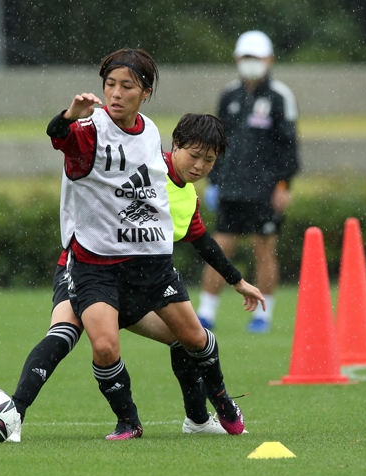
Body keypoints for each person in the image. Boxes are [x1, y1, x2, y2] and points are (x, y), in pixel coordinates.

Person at [43, 47, 261, 440]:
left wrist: (237, 280)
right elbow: (64, 141)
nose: (198, 167)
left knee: (192, 339)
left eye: (208, 162)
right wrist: (68, 119)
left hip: (148, 276)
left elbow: (201, 241)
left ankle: (206, 413)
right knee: (79, 341)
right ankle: (122, 420)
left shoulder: (184, 190)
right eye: (194, 156)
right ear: (174, 147)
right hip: (98, 270)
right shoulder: (138, 156)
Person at [196, 30, 300, 334]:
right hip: (230, 188)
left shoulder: (281, 96)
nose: (251, 63)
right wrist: (213, 181)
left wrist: (284, 186)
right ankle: (206, 313)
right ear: (237, 60)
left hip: (266, 191)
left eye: (256, 57)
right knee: (220, 247)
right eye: (246, 58)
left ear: (269, 60)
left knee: (263, 249)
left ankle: (262, 317)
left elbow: (289, 146)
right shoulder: (228, 95)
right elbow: (215, 142)